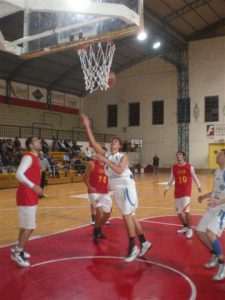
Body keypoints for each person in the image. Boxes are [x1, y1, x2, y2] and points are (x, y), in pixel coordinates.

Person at [81, 114, 151, 263]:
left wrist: (105, 160)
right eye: (112, 141)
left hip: (126, 187)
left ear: (119, 146)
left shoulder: (122, 157)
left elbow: (119, 171)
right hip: (117, 189)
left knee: (126, 216)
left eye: (116, 142)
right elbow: (93, 143)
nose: (113, 143)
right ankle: (144, 242)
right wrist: (87, 126)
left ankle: (133, 247)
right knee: (130, 216)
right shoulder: (106, 155)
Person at [11, 137, 43, 267]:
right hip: (26, 194)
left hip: (30, 195)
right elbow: (18, 174)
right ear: (30, 145)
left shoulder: (34, 157)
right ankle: (17, 253)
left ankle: (18, 248)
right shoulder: (28, 157)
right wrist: (33, 186)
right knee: (30, 226)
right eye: (36, 141)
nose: (39, 142)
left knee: (25, 225)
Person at [196, 149, 225, 281]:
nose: (217, 156)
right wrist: (204, 196)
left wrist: (220, 201)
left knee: (210, 233)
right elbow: (215, 191)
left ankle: (222, 264)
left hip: (223, 208)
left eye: (220, 154)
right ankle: (214, 254)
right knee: (199, 231)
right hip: (213, 206)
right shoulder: (217, 172)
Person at [164, 151, 202, 238]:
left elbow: (194, 177)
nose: (178, 156)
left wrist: (199, 186)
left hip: (186, 192)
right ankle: (185, 226)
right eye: (177, 155)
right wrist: (166, 188)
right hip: (177, 192)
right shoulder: (174, 167)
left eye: (180, 154)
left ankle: (190, 229)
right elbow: (171, 179)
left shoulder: (189, 167)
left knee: (186, 211)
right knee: (179, 212)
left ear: (184, 157)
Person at [84, 150, 112, 244]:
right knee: (99, 212)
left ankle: (98, 229)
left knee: (107, 214)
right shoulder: (92, 164)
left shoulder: (107, 166)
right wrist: (90, 187)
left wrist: (109, 185)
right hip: (94, 192)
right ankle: (96, 233)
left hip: (105, 192)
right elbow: (85, 178)